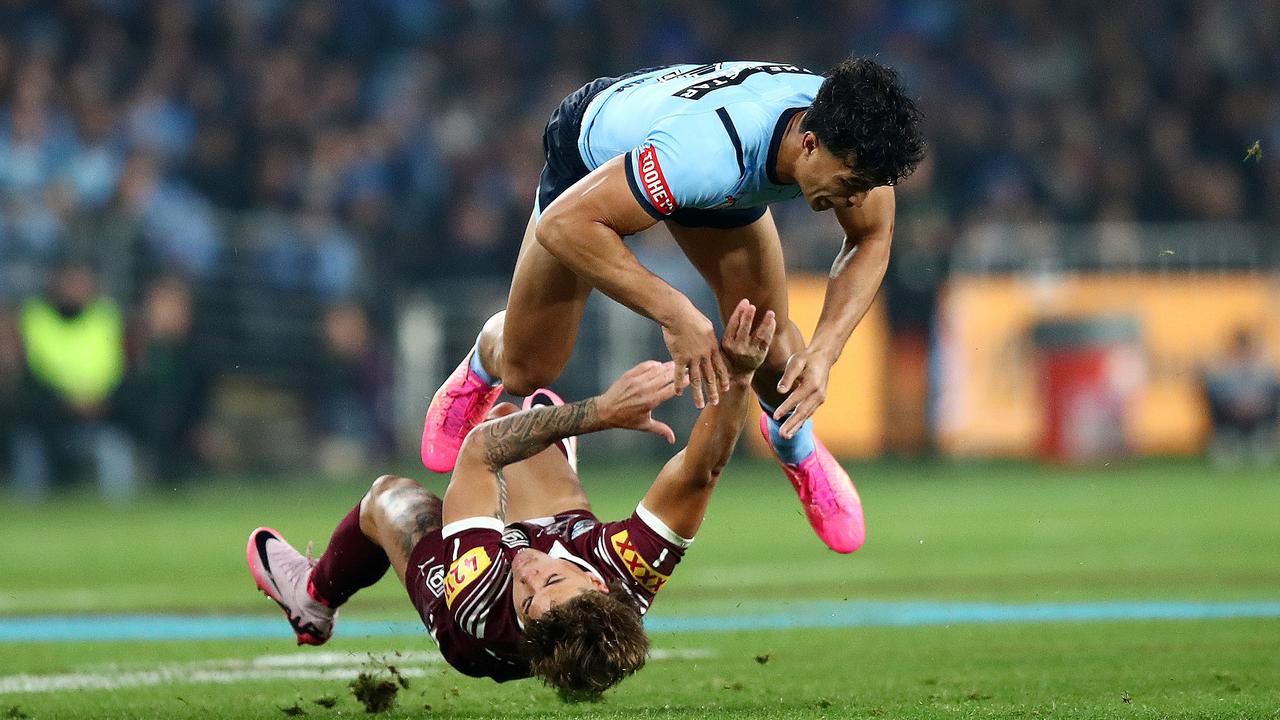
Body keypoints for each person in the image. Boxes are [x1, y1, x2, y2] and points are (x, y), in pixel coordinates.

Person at [421, 58, 925, 553]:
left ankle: (796, 446)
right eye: (849, 187)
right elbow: (563, 225)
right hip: (593, 162)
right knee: (528, 369)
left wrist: (825, 352)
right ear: (809, 144)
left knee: (772, 346)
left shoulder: (855, 135)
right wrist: (676, 312)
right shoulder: (705, 153)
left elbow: (871, 238)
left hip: (702, 167)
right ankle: (488, 356)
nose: (855, 202)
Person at [248, 300, 775, 700]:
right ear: (596, 580)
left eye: (530, 598)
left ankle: (312, 600)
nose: (528, 574)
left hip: (469, 611)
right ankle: (546, 449)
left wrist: (602, 412)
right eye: (549, 579)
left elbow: (479, 454)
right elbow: (701, 470)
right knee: (511, 422)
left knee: (391, 497)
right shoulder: (627, 569)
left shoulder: (481, 598)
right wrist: (743, 375)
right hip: (566, 545)